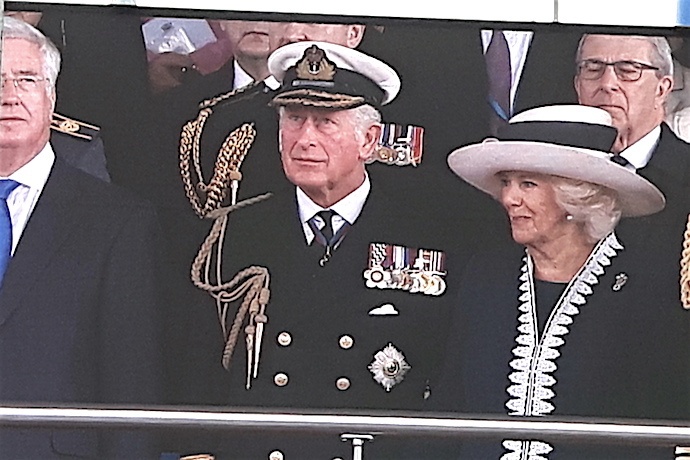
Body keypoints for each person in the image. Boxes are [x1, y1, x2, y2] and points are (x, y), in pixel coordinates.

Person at [172, 41, 455, 460]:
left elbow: (448, 373)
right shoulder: (234, 231)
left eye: (325, 123)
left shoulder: (428, 234)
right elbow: (199, 367)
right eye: (294, 119)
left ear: (369, 140)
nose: (304, 139)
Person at [436, 104, 690, 459]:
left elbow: (662, 417)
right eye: (506, 183)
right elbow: (452, 403)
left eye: (528, 184)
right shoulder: (487, 275)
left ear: (577, 195)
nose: (509, 199)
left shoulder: (641, 285)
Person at [0, 17, 160, 457]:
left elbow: (130, 384)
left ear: (52, 97)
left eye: (26, 79)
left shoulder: (117, 221)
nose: (9, 95)